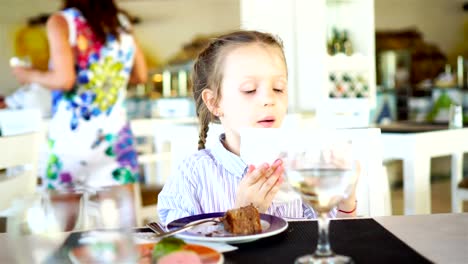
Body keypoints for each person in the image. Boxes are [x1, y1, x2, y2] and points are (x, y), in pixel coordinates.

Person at [157, 30, 358, 225]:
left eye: (278, 88)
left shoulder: (301, 166)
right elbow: (179, 249)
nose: (269, 99)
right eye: (249, 90)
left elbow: (332, 243)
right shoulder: (191, 176)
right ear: (214, 102)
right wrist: (241, 214)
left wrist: (346, 202)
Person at [11, 0, 147, 189]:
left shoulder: (62, 21)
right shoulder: (121, 23)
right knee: (119, 217)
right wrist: (107, 78)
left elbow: (64, 80)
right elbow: (140, 75)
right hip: (116, 142)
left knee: (65, 217)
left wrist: (27, 74)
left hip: (72, 142)